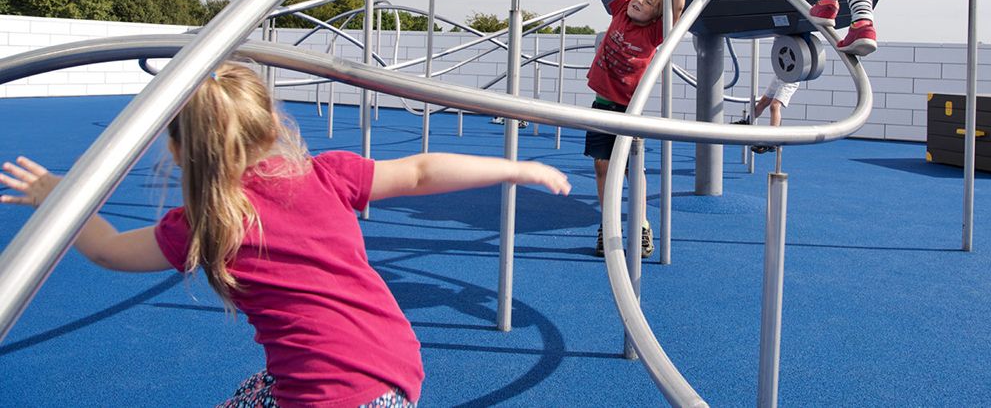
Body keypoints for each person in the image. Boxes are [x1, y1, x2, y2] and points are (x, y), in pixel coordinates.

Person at [1, 61, 570, 408]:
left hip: (335, 396)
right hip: (389, 367)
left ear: (176, 151)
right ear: (273, 124)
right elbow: (421, 170)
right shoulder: (328, 174)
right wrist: (515, 168)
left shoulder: (207, 225)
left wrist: (59, 196)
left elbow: (105, 249)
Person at [585, 0, 685, 258]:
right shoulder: (619, 10)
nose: (639, 1)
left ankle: (641, 224)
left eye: (647, 2)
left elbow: (678, 6)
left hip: (630, 109)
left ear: (655, 15)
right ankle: (607, 223)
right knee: (601, 166)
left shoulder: (655, 33)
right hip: (602, 104)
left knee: (631, 170)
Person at [733, 70, 800, 154]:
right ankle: (748, 122)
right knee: (763, 102)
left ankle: (772, 140)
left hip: (792, 79)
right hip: (780, 74)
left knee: (774, 106)